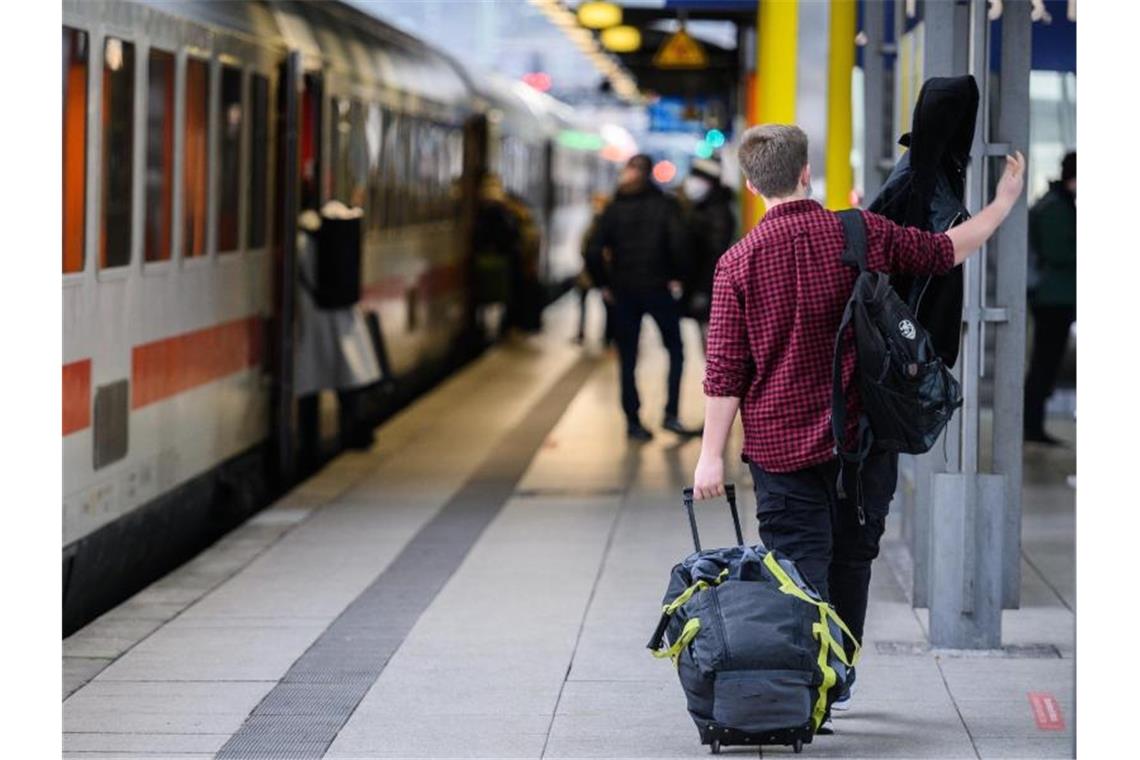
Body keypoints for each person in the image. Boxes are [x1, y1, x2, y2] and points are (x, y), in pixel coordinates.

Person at [691, 124, 1024, 716]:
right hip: (862, 438)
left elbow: (725, 371)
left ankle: (805, 685)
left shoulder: (736, 263)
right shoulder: (860, 232)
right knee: (853, 557)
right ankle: (838, 676)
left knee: (796, 564)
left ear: (750, 184)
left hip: (779, 445)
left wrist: (709, 455)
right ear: (805, 173)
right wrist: (1000, 203)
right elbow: (945, 251)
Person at [585, 154, 698, 441]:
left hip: (624, 291)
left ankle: (633, 421)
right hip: (658, 289)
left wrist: (603, 284)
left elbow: (593, 251)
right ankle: (671, 415)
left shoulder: (614, 208)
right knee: (675, 350)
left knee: (628, 356)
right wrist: (679, 278)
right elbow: (681, 246)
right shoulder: (666, 205)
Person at [1024, 152, 1076, 446]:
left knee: (1045, 363)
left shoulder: (1056, 203)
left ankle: (1034, 425)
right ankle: (1033, 425)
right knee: (1045, 364)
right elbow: (1058, 252)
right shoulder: (1056, 208)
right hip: (1052, 298)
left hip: (1053, 296)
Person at [679, 157, 737, 348]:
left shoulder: (717, 212)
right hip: (702, 286)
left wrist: (702, 290)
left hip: (710, 289)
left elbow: (715, 255)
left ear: (711, 183)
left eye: (699, 179)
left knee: (714, 344)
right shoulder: (701, 207)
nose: (692, 183)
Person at [575, 192, 614, 345]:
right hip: (593, 270)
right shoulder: (597, 223)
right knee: (598, 301)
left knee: (608, 303)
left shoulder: (605, 223)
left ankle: (606, 336)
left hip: (603, 272)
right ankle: (587, 332)